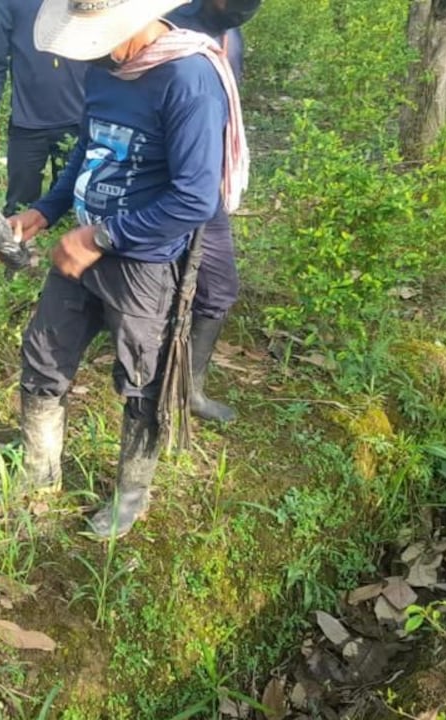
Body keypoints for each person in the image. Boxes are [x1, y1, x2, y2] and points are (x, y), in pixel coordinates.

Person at [4, 0, 248, 539]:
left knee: (143, 378)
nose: (91, 49)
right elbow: (89, 152)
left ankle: (131, 494)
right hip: (83, 245)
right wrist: (46, 210)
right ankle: (38, 479)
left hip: (140, 261)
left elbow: (192, 198)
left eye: (101, 35)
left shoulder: (188, 78)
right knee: (43, 355)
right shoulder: (104, 68)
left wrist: (102, 238)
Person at [165, 0, 262, 423]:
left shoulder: (231, 32)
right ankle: (155, 385)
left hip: (206, 185)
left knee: (218, 288)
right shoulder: (170, 26)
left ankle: (192, 390)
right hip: (168, 181)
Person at [0, 0, 87, 215]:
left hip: (78, 120)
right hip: (27, 122)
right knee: (19, 207)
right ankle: (15, 247)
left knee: (72, 207)